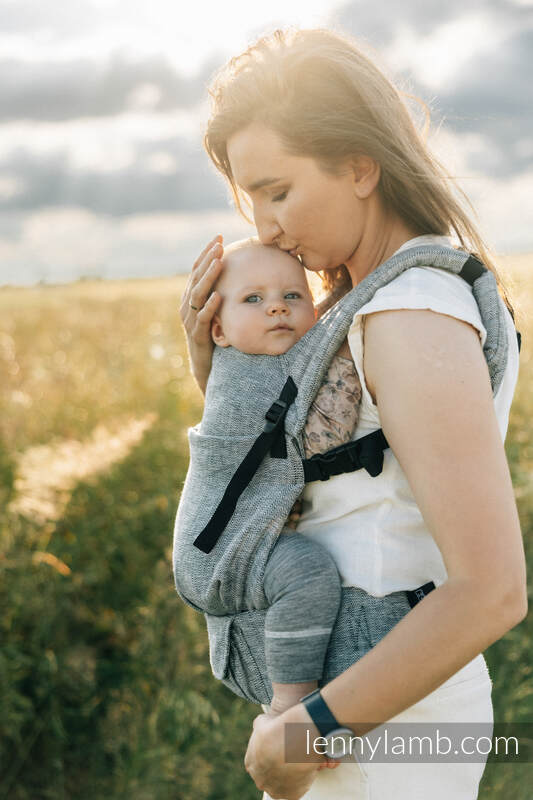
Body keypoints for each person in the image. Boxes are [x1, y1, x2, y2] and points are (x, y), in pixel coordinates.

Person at [179, 28, 527, 800]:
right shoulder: (370, 302)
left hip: (377, 727)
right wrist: (223, 378)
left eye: (278, 191)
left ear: (360, 167)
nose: (265, 228)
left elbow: (492, 589)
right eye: (250, 200)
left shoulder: (409, 312)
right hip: (362, 713)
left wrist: (302, 735)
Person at [183, 235, 362, 728]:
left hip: (214, 543)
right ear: (218, 330)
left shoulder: (240, 357)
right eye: (253, 298)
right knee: (307, 573)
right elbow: (323, 438)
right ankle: (290, 706)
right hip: (222, 548)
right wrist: (350, 346)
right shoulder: (257, 370)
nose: (277, 309)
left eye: (293, 296)